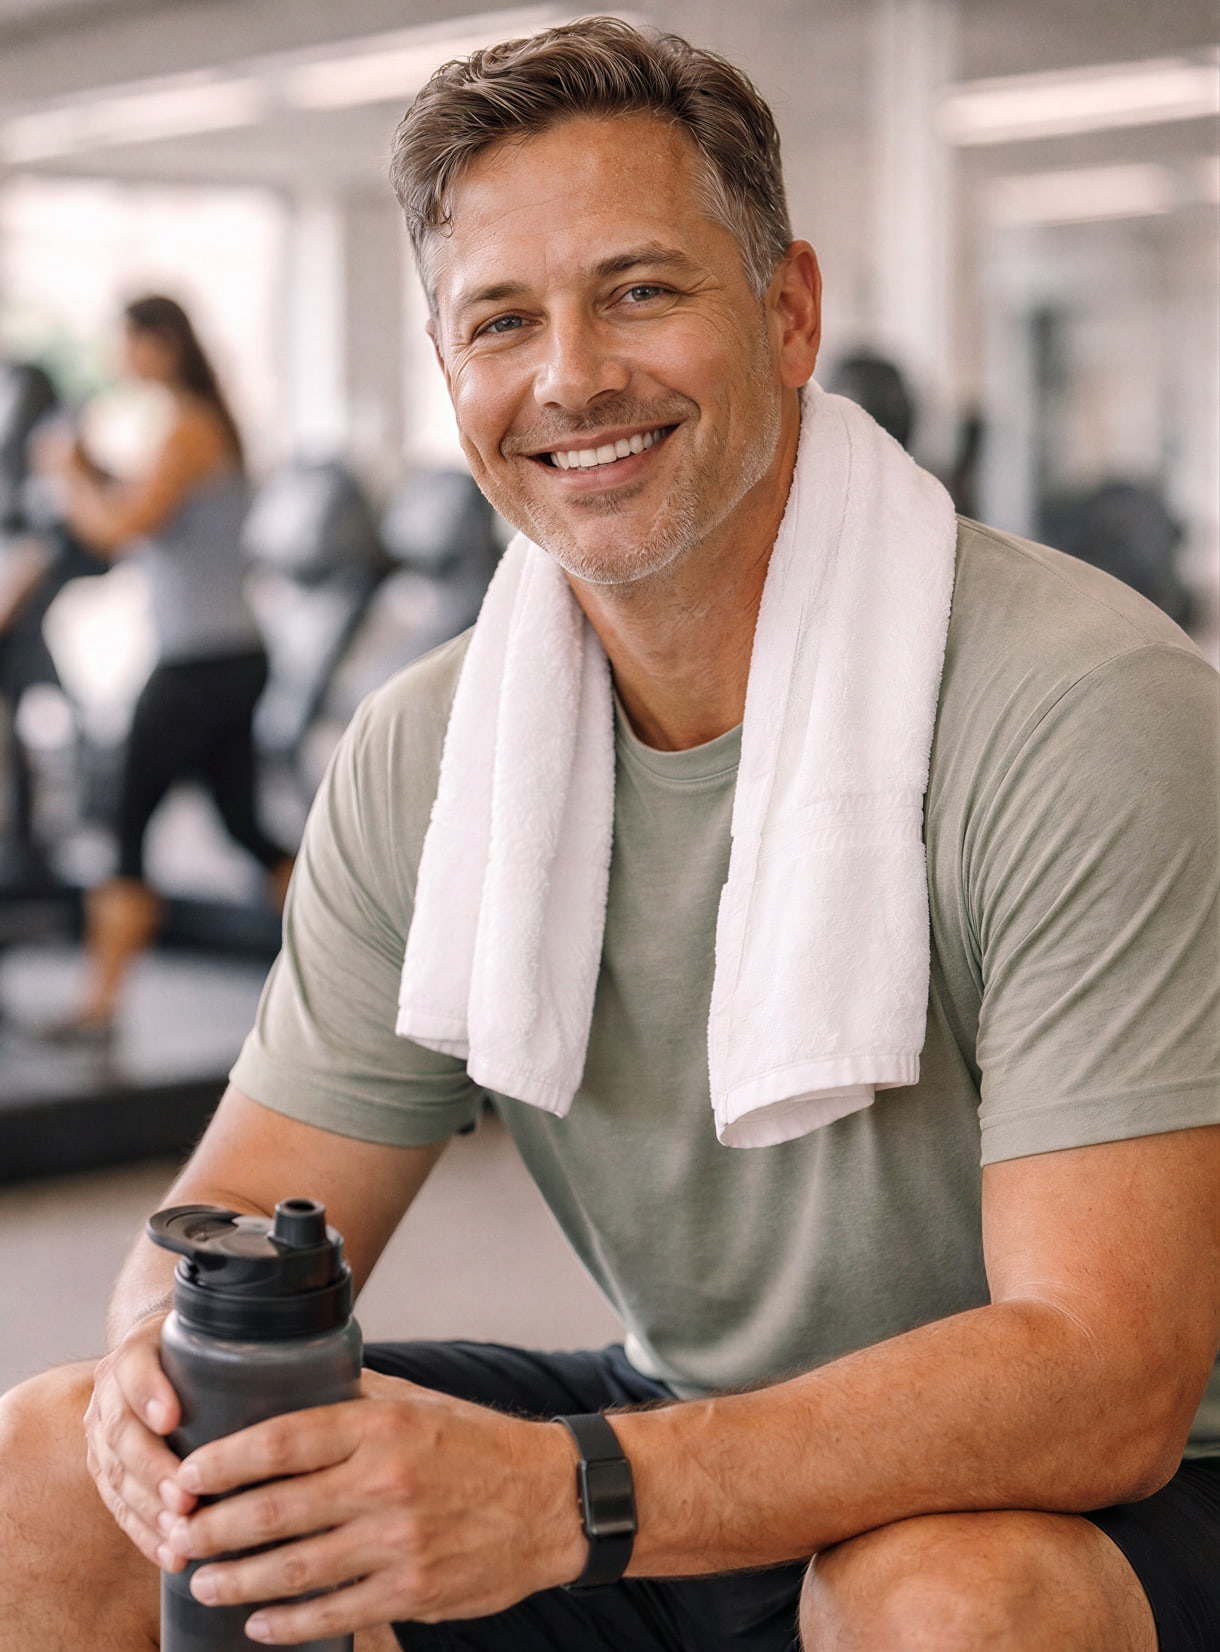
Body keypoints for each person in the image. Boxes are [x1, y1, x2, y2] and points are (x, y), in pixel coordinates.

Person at [1, 19, 1217, 1652]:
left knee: (942, 1593)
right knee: (44, 1464)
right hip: (687, 1423)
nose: (570, 374)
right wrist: (165, 1371)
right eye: (504, 321)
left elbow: (1104, 1375)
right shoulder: (434, 746)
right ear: (453, 374)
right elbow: (232, 1214)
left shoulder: (1084, 703)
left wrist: (570, 1495)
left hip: (1110, 1493)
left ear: (789, 311)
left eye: (640, 290)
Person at [33, 295, 292, 1037]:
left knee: (122, 819)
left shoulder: (185, 427)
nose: (120, 361)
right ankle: (379, 970)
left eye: (128, 345)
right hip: (229, 654)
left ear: (159, 344)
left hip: (197, 664)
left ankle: (99, 1007)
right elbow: (149, 506)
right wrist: (92, 468)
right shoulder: (200, 423)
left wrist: (65, 473)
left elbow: (118, 529)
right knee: (244, 828)